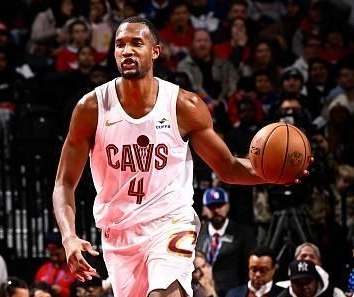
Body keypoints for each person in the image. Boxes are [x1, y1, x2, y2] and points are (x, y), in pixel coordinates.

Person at [52, 16, 310, 297]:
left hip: (171, 222)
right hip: (119, 233)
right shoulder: (91, 108)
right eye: (119, 45)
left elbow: (228, 167)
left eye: (136, 43)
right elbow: (64, 183)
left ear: (155, 51)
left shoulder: (183, 105)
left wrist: (271, 173)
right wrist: (69, 237)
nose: (126, 50)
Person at [196, 187, 256, 296]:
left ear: (228, 206)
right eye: (211, 207)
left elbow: (248, 268)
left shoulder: (243, 233)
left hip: (233, 292)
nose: (216, 210)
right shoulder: (197, 233)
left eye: (220, 205)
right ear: (204, 209)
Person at [34, 232, 75, 297]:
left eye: (57, 254)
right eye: (51, 254)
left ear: (65, 249)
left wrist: (62, 291)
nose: (54, 258)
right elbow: (35, 288)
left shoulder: (74, 268)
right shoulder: (43, 269)